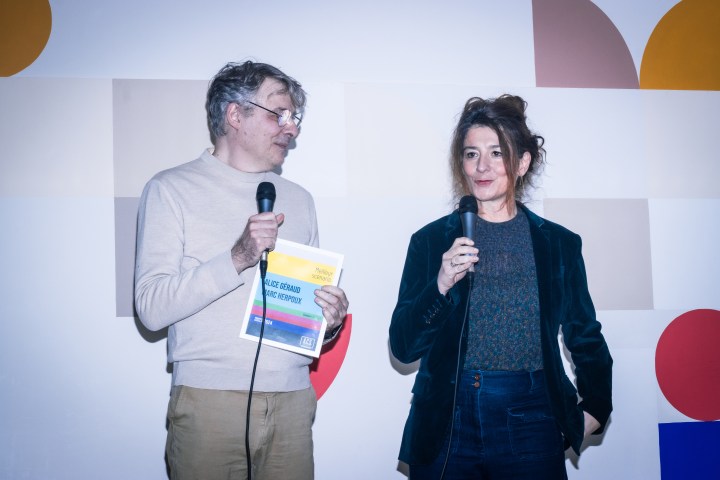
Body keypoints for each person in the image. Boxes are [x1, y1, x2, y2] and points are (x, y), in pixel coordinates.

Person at [134, 60, 349, 480]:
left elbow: (303, 318)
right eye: (279, 114)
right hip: (208, 403)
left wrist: (329, 321)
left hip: (292, 401)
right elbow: (151, 308)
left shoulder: (299, 199)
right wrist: (237, 256)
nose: (291, 128)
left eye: (294, 118)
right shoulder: (171, 189)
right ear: (235, 114)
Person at [389, 95, 612, 479]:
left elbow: (585, 335)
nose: (482, 166)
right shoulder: (430, 241)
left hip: (530, 413)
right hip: (447, 418)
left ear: (521, 162)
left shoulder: (558, 244)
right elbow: (403, 346)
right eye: (471, 154)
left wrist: (595, 408)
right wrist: (440, 285)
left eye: (496, 153)